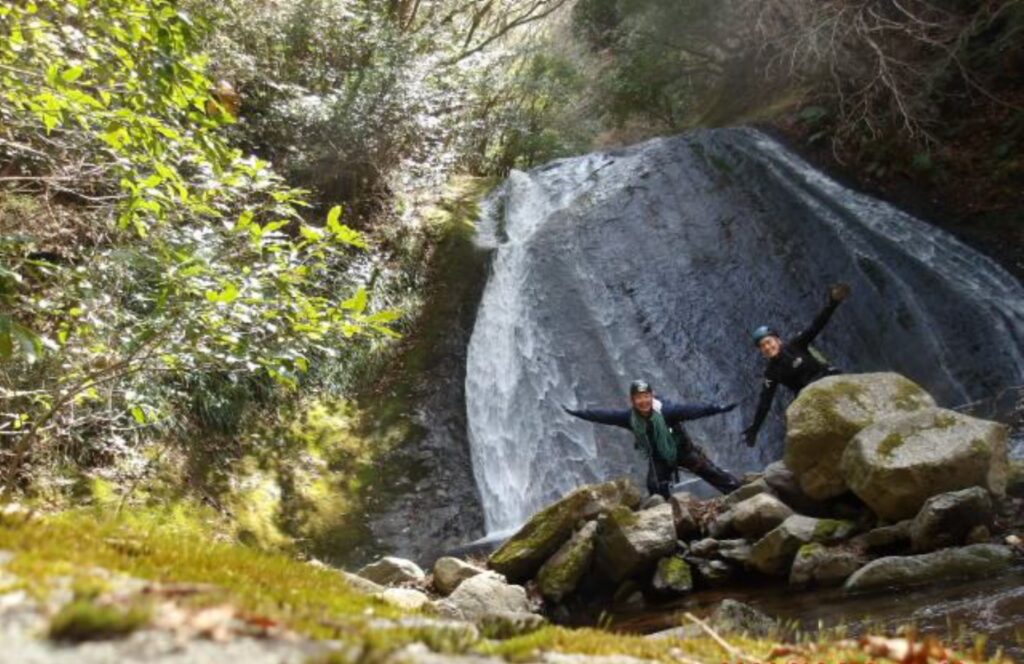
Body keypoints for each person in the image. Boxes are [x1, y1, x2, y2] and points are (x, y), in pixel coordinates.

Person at [563, 380, 743, 498]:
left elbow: (693, 410)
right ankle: (670, 514)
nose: (643, 401)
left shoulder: (667, 411)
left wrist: (718, 408)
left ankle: (740, 492)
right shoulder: (629, 418)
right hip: (659, 459)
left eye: (646, 396)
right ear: (633, 401)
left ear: (651, 396)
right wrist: (579, 413)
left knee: (712, 473)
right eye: (638, 398)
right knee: (654, 486)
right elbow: (604, 415)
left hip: (683, 452)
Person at [743, 283, 851, 448]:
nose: (766, 347)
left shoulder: (796, 344)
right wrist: (754, 429)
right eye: (762, 346)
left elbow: (816, 325)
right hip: (812, 397)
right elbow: (764, 402)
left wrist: (833, 302)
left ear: (777, 340)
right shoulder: (771, 373)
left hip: (829, 380)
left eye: (768, 342)